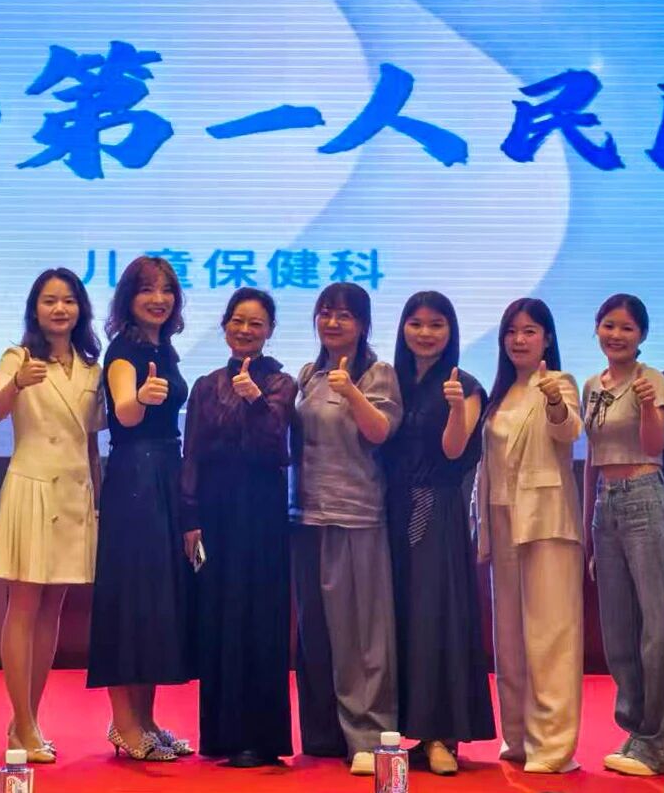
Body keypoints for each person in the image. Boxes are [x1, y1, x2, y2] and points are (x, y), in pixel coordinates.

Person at [0, 268, 105, 764]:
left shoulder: (92, 366)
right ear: (35, 309)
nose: (60, 309)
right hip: (32, 487)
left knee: (53, 610)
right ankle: (23, 722)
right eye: (50, 300)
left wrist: (98, 499)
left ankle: (26, 720)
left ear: (81, 309)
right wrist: (16, 383)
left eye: (69, 300)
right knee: (24, 605)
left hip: (75, 493)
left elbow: (90, 442)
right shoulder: (18, 357)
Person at [291, 281, 404, 778]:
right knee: (317, 634)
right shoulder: (308, 375)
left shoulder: (378, 373)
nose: (333, 322)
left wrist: (353, 393)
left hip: (357, 515)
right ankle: (325, 734)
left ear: (363, 324)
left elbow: (380, 432)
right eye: (325, 313)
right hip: (306, 516)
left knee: (363, 635)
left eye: (344, 315)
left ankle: (370, 735)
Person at [181, 288, 297, 769]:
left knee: (258, 618)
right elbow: (192, 453)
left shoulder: (282, 383)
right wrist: (190, 517)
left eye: (256, 323)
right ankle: (221, 734)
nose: (245, 330)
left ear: (269, 331)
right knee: (219, 617)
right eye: (237, 321)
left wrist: (254, 401)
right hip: (216, 512)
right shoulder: (206, 385)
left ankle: (260, 738)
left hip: (261, 513)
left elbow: (275, 447)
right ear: (225, 326)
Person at [383, 291, 496, 775]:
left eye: (436, 325)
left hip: (435, 508)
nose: (425, 333)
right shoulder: (391, 381)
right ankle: (401, 730)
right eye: (416, 323)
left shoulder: (464, 384)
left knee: (435, 619)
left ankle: (440, 736)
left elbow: (454, 452)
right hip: (389, 509)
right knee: (398, 620)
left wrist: (454, 409)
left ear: (451, 332)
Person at [89, 255, 196, 762]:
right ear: (128, 298)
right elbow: (124, 413)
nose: (159, 298)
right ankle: (123, 723)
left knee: (156, 600)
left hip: (166, 473)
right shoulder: (124, 350)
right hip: (134, 477)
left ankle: (147, 720)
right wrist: (142, 398)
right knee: (129, 597)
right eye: (147, 289)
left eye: (167, 289)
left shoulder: (163, 347)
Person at [581, 294, 664, 778]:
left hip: (646, 497)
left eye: (627, 328)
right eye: (609, 325)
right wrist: (588, 525)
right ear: (597, 329)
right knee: (619, 629)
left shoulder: (652, 381)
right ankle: (636, 732)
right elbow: (592, 456)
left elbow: (654, 445)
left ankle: (663, 745)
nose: (616, 335)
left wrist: (647, 407)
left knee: (659, 630)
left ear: (641, 335)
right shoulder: (591, 385)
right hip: (606, 505)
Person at [475, 296, 583, 774]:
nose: (519, 340)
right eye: (512, 331)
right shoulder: (499, 394)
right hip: (501, 520)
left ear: (547, 338)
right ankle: (518, 737)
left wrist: (555, 401)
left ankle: (553, 746)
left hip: (546, 521)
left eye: (530, 331)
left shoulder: (559, 382)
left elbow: (568, 431)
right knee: (510, 638)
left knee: (550, 635)